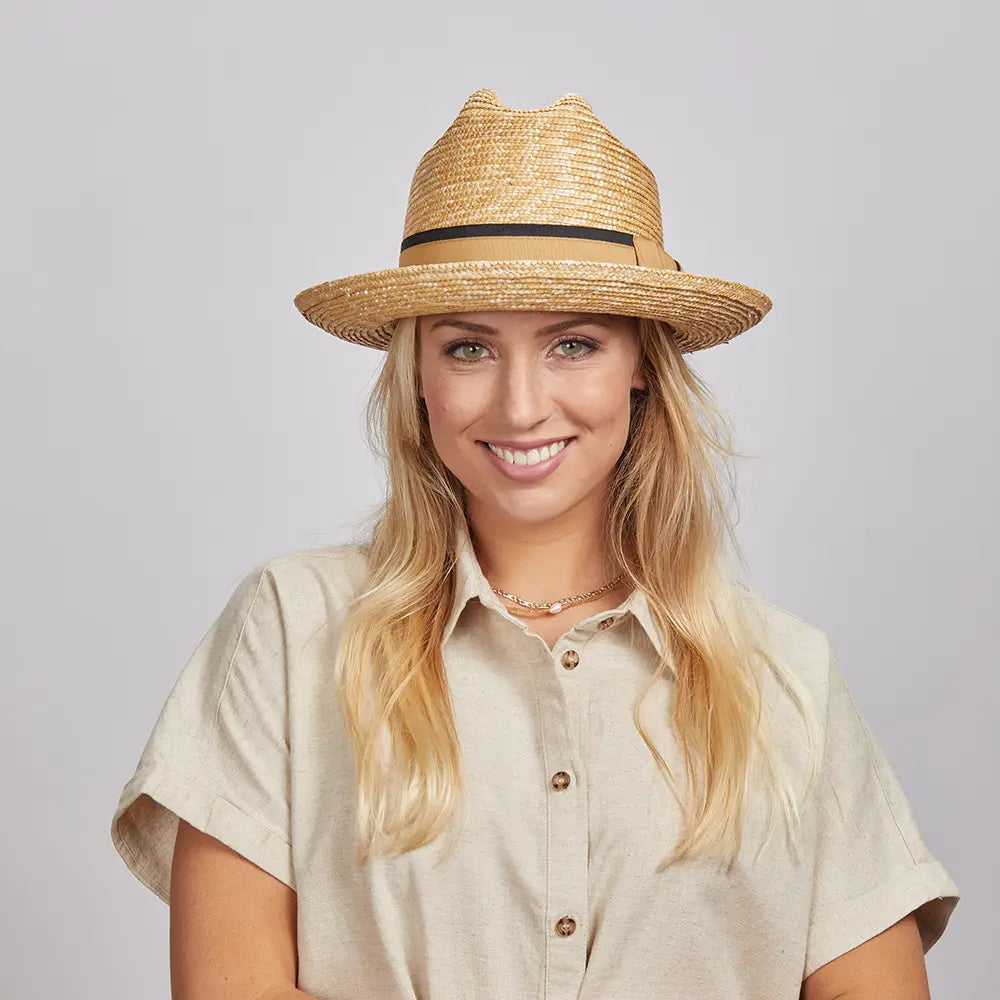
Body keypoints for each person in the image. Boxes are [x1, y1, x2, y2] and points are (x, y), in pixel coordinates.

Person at [110, 88, 960, 1000]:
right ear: (419, 376)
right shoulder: (292, 631)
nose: (520, 406)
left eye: (574, 344)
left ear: (641, 366)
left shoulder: (785, 677)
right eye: (469, 348)